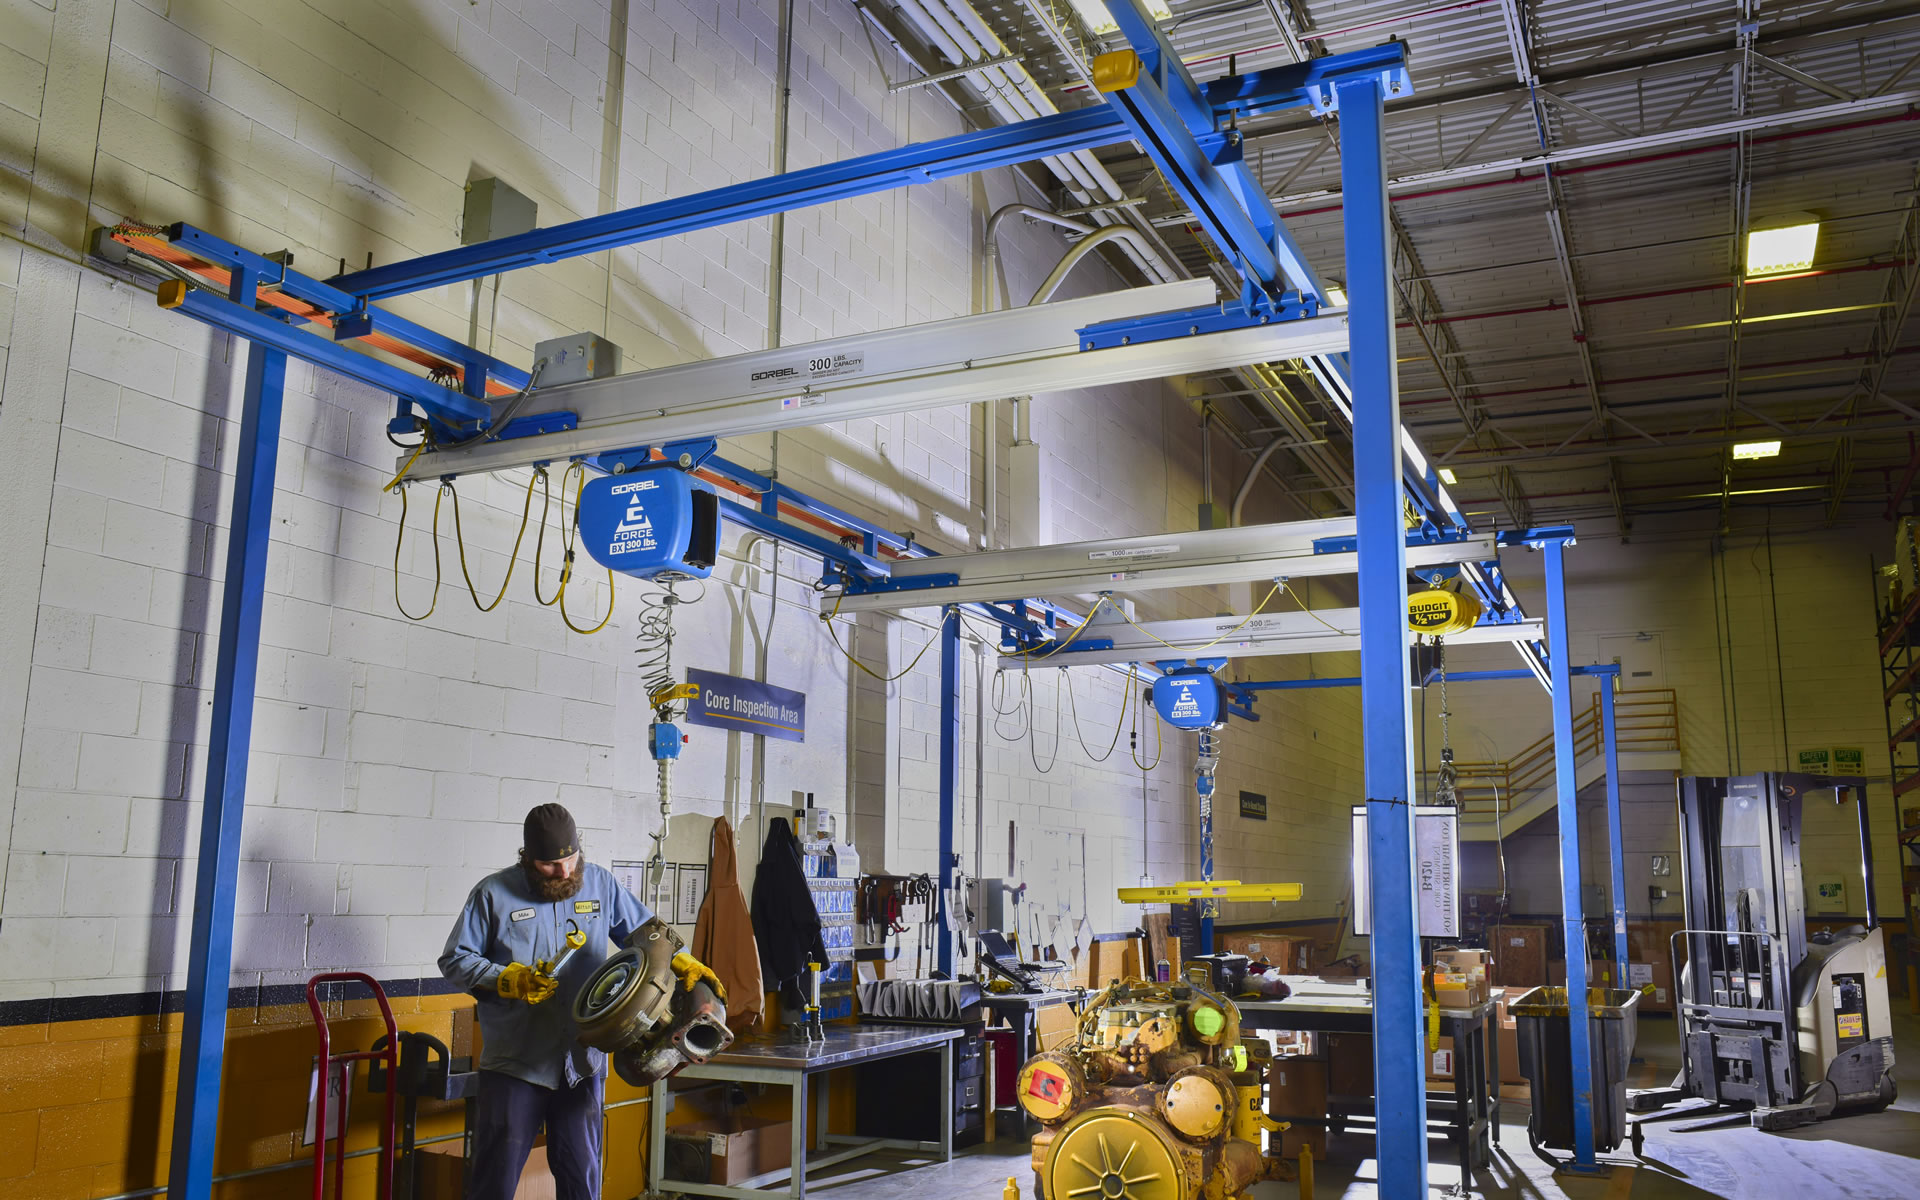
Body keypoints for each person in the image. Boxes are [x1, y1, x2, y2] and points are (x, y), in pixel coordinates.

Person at [440, 803, 720, 1200]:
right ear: (528, 858)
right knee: (494, 1183)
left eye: (571, 860)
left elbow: (646, 934)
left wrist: (682, 958)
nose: (566, 872)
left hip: (582, 1064)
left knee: (581, 1181)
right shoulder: (493, 894)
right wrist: (507, 979)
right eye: (551, 866)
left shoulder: (600, 884)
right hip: (516, 1066)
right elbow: (454, 960)